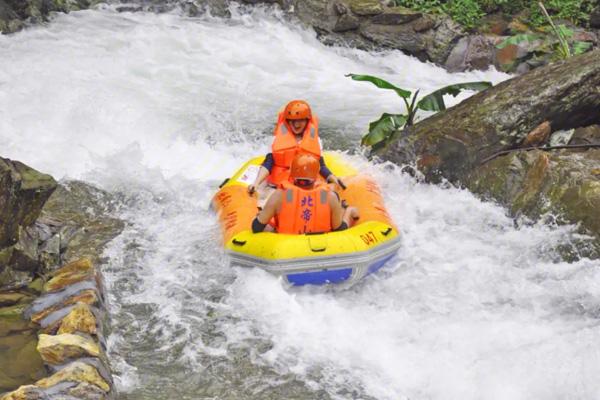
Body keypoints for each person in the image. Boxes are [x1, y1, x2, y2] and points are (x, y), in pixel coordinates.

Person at [247, 100, 344, 201]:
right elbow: (268, 164)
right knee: (270, 200)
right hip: (279, 186)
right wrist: (256, 183)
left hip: (305, 185)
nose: (296, 124)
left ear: (307, 121)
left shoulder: (316, 140)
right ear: (287, 121)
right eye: (292, 121)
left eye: (300, 120)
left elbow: (321, 166)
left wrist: (334, 179)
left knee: (328, 195)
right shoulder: (276, 140)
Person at [252, 154, 358, 234]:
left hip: (286, 248)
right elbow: (339, 229)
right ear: (316, 177)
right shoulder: (330, 197)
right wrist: (348, 212)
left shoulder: (279, 196)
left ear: (292, 176)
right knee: (344, 210)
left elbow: (256, 227)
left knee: (262, 220)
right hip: (321, 248)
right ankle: (349, 210)